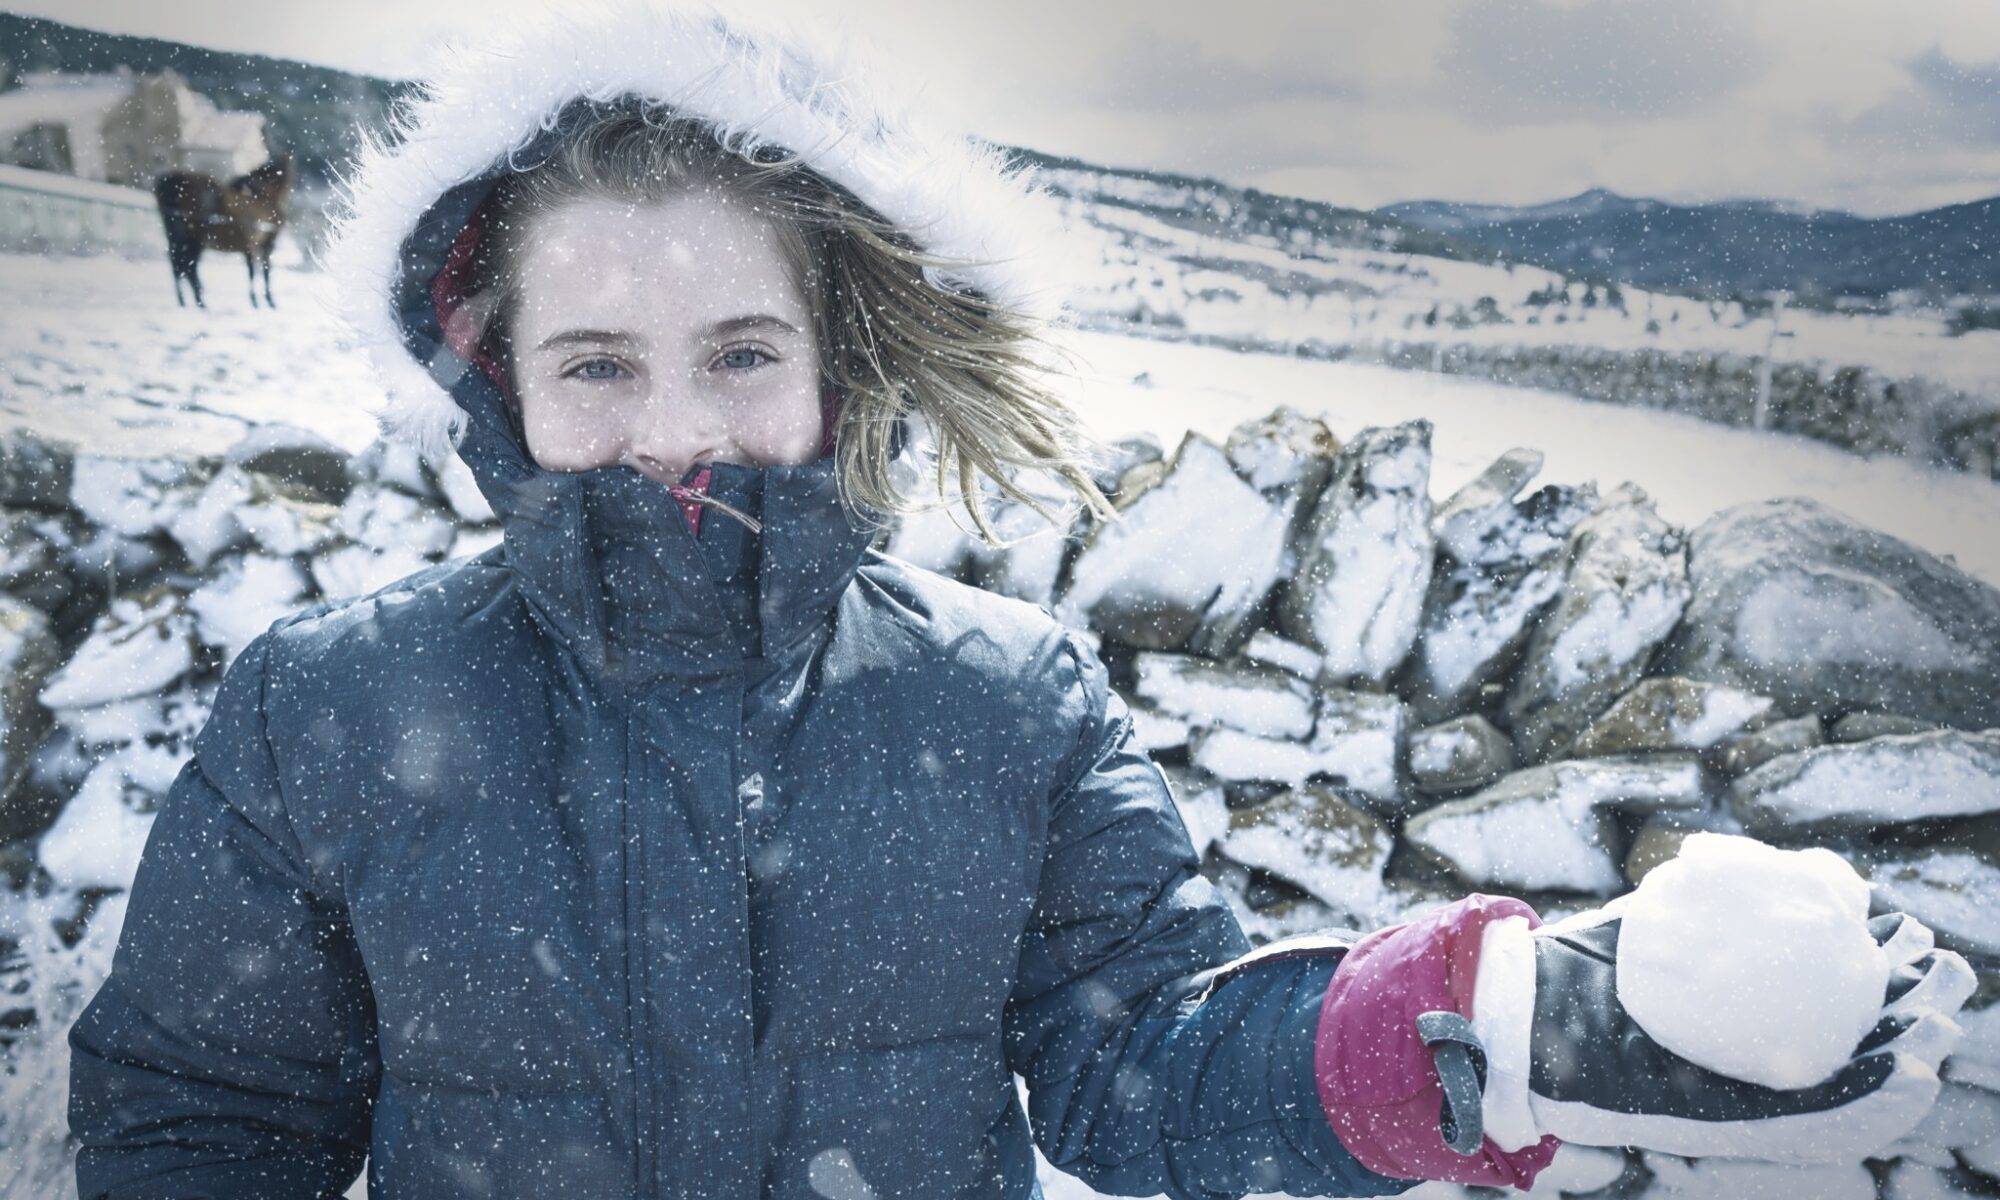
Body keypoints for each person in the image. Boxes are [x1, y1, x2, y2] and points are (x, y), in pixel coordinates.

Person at [65, 5, 1973, 1199]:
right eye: (596, 365)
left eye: (740, 349)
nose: (675, 428)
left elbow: (1149, 1059)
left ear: (841, 365)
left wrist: (1510, 1024)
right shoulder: (322, 716)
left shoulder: (1004, 703)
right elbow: (200, 1124)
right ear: (496, 374)